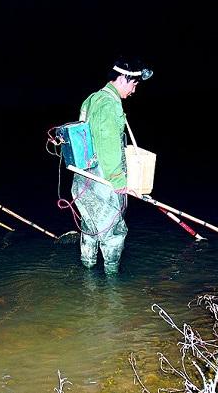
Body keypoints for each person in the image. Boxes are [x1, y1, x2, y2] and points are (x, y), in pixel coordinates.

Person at [71, 57, 153, 274]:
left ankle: (87, 279)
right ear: (124, 79)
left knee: (90, 228)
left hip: (82, 181)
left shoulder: (92, 99)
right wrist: (118, 181)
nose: (135, 90)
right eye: (134, 84)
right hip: (102, 183)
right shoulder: (109, 104)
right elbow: (107, 142)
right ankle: (113, 287)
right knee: (113, 231)